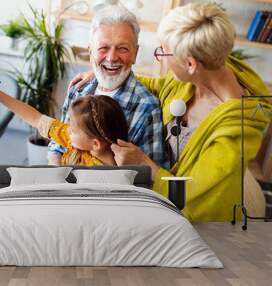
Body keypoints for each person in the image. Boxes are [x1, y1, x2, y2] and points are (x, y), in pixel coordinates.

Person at [69, 2, 272, 221]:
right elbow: (160, 85)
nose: (160, 57)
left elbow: (190, 198)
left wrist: (143, 162)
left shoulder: (236, 133)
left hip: (211, 215)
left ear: (191, 64)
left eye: (164, 52)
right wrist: (104, 72)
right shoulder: (205, 68)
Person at [48, 5, 167, 168]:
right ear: (91, 51)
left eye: (122, 48)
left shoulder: (147, 107)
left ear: (135, 54)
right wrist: (56, 179)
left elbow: (148, 178)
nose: (111, 58)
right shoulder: (78, 89)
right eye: (103, 48)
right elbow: (57, 146)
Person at [0, 73, 129, 166]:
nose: (68, 130)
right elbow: (35, 118)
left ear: (95, 144)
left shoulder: (114, 176)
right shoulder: (74, 140)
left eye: (73, 130)